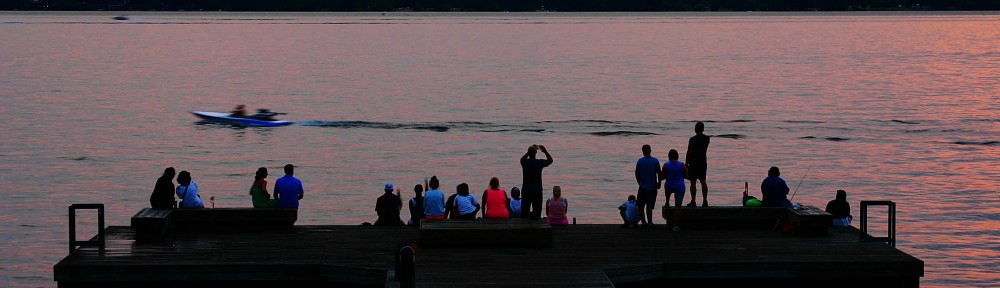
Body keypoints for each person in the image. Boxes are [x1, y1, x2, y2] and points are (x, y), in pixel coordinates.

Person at [520, 144, 553, 220]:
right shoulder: (539, 163)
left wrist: (529, 151)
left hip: (526, 190)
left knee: (524, 212)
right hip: (537, 190)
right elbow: (550, 160)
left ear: (528, 153)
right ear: (535, 153)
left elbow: (522, 158)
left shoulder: (524, 162)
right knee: (537, 212)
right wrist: (545, 151)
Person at [661, 149, 688, 231]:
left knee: (667, 189)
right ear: (677, 156)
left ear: (669, 156)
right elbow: (687, 176)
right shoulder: (682, 164)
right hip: (679, 186)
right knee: (678, 207)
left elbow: (662, 177)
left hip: (669, 185)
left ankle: (667, 201)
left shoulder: (666, 165)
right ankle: (675, 226)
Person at [634, 144, 661, 227]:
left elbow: (636, 173)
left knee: (640, 205)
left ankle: (643, 221)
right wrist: (659, 182)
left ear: (643, 151)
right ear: (650, 150)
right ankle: (650, 222)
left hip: (642, 187)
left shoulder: (640, 161)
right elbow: (659, 173)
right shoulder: (655, 161)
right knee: (650, 206)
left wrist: (639, 182)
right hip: (652, 187)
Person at [686, 121, 711, 207]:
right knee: (703, 181)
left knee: (693, 182)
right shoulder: (707, 139)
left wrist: (686, 163)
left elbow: (689, 152)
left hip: (693, 163)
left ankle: (693, 201)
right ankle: (705, 200)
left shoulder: (692, 139)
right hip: (702, 162)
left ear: (696, 129)